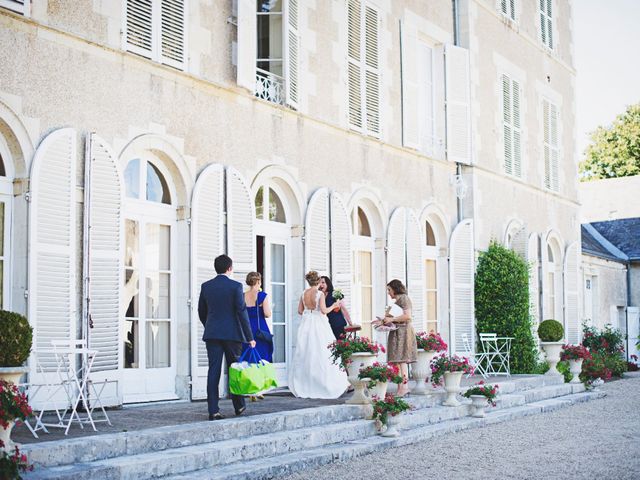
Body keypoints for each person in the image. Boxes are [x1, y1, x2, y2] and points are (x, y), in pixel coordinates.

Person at [198, 254, 256, 420]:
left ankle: (213, 410)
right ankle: (238, 406)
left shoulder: (206, 286)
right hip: (233, 335)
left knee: (213, 371)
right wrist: (249, 336)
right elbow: (241, 312)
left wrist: (210, 325)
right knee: (235, 370)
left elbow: (202, 311)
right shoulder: (235, 286)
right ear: (229, 268)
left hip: (213, 334)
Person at [289, 271, 350, 399]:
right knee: (323, 353)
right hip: (319, 324)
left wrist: (309, 313)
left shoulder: (303, 293)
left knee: (307, 353)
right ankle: (323, 384)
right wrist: (334, 305)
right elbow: (323, 311)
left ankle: (306, 384)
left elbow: (300, 311)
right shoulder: (320, 294)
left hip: (306, 325)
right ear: (317, 281)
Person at [379, 279, 417, 397]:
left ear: (395, 289)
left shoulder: (404, 298)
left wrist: (391, 319)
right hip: (397, 331)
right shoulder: (398, 301)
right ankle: (400, 387)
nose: (388, 292)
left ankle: (404, 387)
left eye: (389, 290)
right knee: (397, 360)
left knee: (401, 359)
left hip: (403, 332)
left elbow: (407, 316)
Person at [244, 271, 273, 401]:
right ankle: (259, 389)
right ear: (259, 282)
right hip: (260, 329)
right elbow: (267, 314)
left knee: (249, 359)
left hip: (247, 328)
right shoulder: (262, 295)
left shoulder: (243, 295)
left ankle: (250, 389)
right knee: (261, 357)